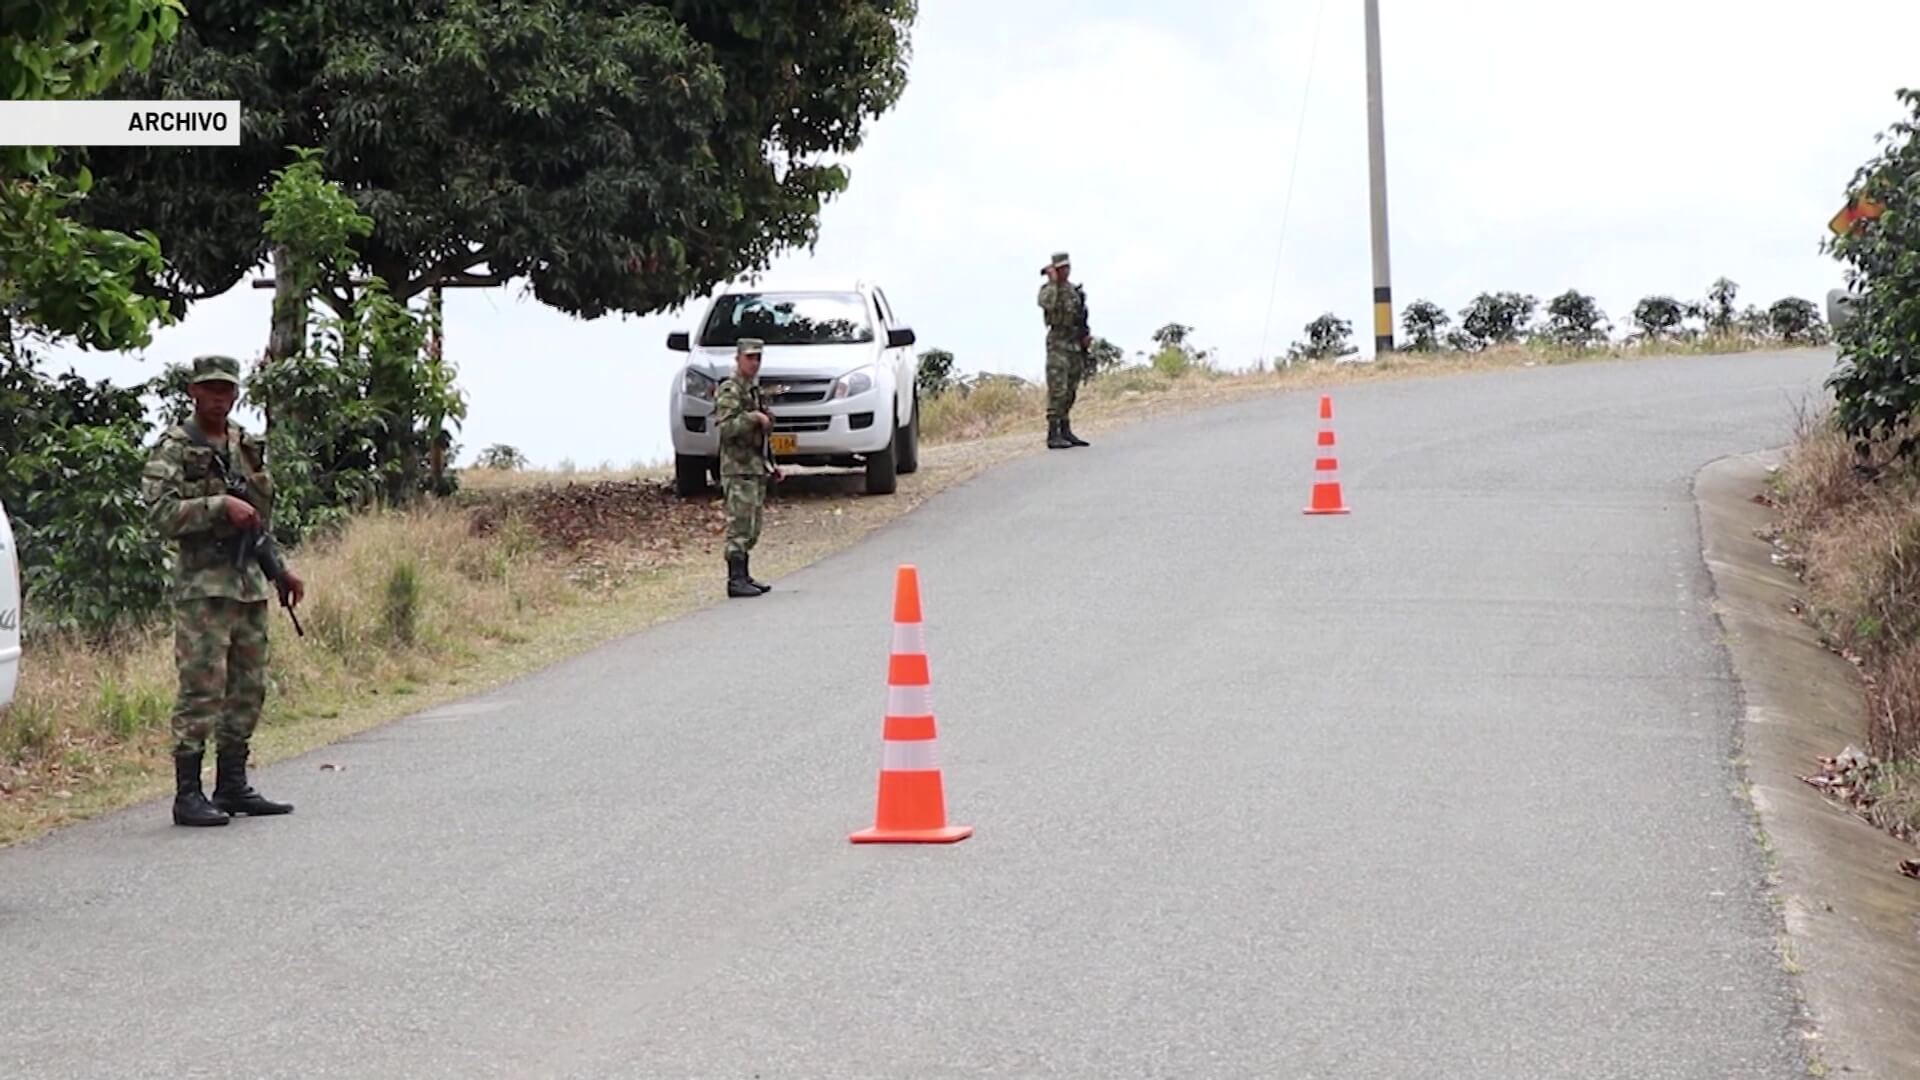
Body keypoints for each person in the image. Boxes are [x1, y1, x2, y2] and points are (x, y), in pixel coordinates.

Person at [141, 354, 304, 827]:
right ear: (192, 391)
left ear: (236, 394)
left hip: (249, 584)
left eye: (226, 390)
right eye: (209, 389)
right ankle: (187, 794)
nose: (218, 397)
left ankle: (232, 784)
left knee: (247, 689)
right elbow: (158, 515)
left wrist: (280, 572)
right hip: (203, 588)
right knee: (201, 689)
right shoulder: (173, 447)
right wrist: (216, 506)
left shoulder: (244, 445)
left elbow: (257, 518)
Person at [713, 337, 783, 597]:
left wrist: (771, 464)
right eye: (749, 357)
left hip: (754, 466)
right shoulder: (730, 390)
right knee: (739, 525)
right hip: (737, 467)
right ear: (738, 358)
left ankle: (745, 575)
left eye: (757, 358)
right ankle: (735, 580)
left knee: (752, 526)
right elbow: (727, 427)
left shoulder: (752, 391)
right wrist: (754, 418)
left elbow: (763, 437)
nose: (754, 363)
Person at [1037, 251, 1091, 449]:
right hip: (1057, 344)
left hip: (1073, 343)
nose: (1065, 272)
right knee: (1057, 389)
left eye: (1067, 267)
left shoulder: (1073, 290)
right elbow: (1046, 304)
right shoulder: (1048, 290)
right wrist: (1052, 282)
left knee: (1070, 389)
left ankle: (1066, 430)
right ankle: (1053, 434)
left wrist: (1085, 336)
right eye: (1061, 269)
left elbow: (1081, 315)